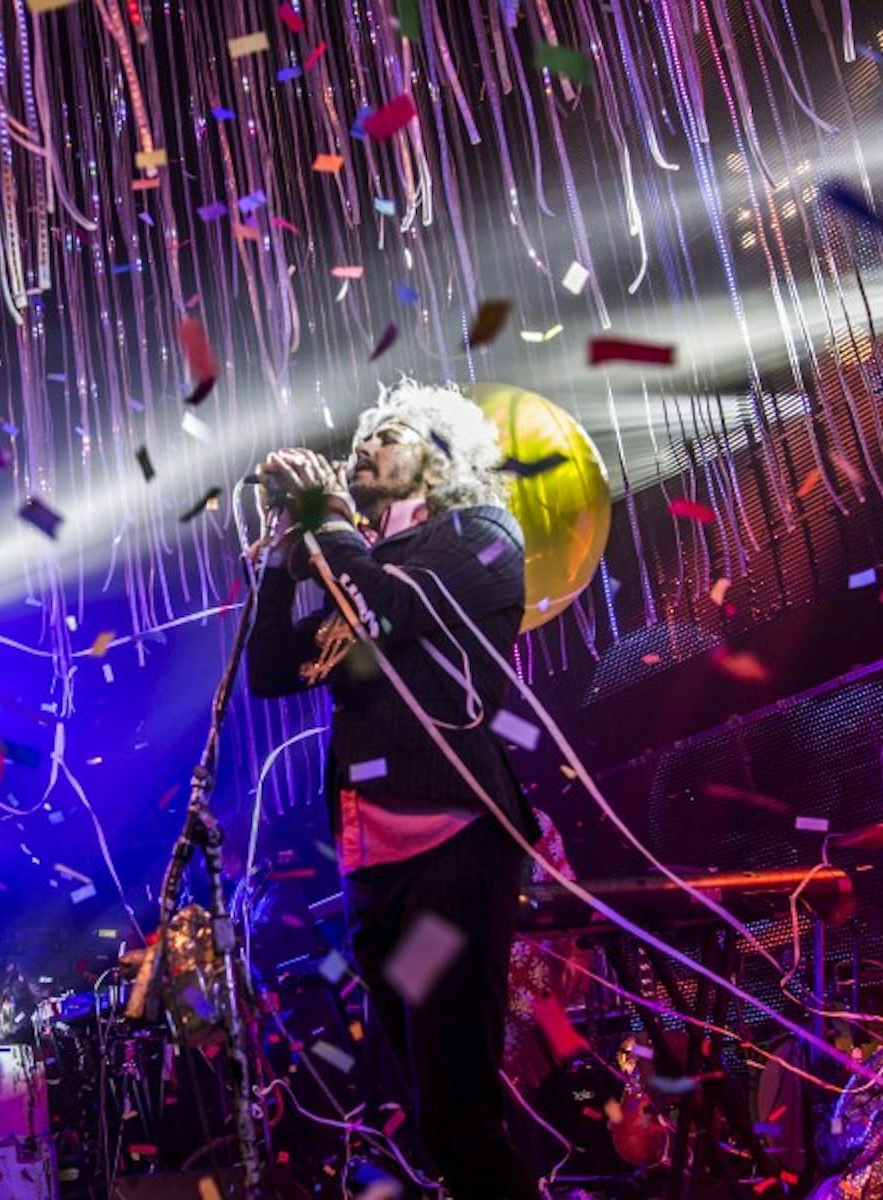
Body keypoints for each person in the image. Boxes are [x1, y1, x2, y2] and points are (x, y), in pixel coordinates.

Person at [248, 378, 541, 1199]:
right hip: (376, 864)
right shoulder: (361, 568)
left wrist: (331, 520)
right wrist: (279, 564)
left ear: (439, 458)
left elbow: (385, 608)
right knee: (426, 1099)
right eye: (362, 437)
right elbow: (274, 670)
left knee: (460, 1110)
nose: (365, 446)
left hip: (453, 843)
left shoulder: (477, 535)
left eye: (392, 433)